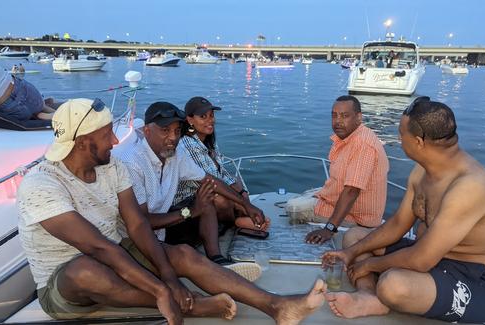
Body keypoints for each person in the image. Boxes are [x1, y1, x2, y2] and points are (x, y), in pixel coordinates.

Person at [17, 98, 327, 324]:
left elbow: (137, 226)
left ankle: (277, 306)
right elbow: (95, 246)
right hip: (64, 283)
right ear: (83, 142)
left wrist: (170, 275)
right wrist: (160, 288)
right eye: (107, 135)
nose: (115, 140)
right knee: (86, 269)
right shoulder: (41, 184)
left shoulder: (111, 167)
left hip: (115, 249)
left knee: (182, 255)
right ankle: (197, 305)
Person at [322, 97, 485, 323]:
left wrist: (368, 264)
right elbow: (398, 224)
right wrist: (351, 253)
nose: (398, 138)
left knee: (393, 285)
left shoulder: (470, 187)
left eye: (401, 133)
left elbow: (420, 260)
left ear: (418, 141)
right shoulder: (421, 172)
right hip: (430, 256)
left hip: (477, 277)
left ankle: (382, 296)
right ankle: (368, 296)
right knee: (354, 236)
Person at [117, 101, 268, 266]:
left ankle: (217, 259)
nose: (173, 138)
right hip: (138, 239)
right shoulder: (132, 163)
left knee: (206, 197)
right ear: (146, 131)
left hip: (164, 230)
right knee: (197, 218)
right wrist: (190, 211)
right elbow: (142, 222)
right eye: (165, 131)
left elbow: (210, 179)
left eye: (177, 131)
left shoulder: (175, 155)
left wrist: (246, 205)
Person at [175, 96, 270, 231]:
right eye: (203, 117)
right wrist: (244, 205)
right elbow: (211, 183)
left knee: (236, 182)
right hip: (188, 200)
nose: (210, 120)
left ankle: (246, 216)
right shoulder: (187, 145)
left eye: (211, 116)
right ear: (190, 120)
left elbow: (221, 172)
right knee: (221, 199)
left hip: (210, 187)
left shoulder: (208, 140)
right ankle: (235, 223)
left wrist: (243, 195)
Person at [305, 95, 389, 245]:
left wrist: (329, 229)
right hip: (339, 201)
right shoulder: (351, 136)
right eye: (334, 116)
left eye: (345, 116)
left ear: (358, 117)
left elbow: (351, 191)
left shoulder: (362, 145)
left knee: (293, 207)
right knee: (308, 194)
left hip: (355, 218)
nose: (338, 121)